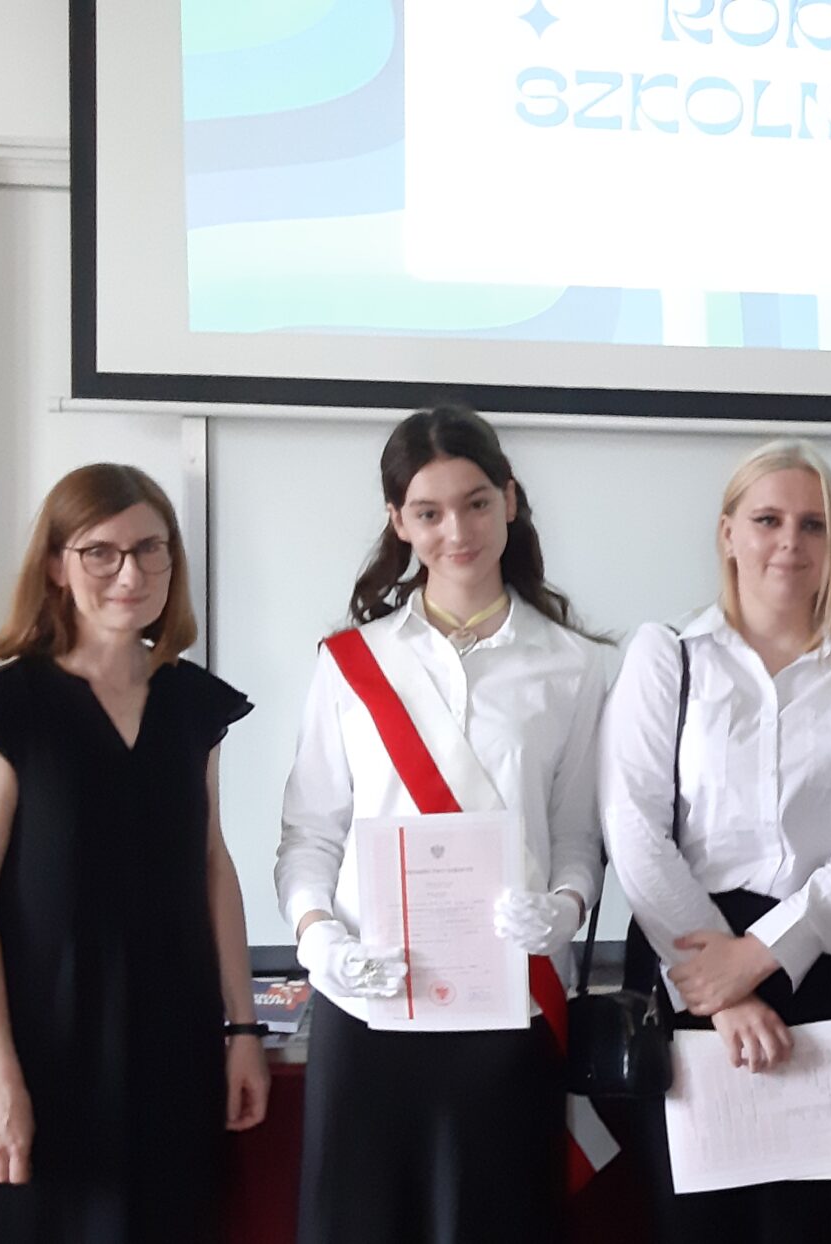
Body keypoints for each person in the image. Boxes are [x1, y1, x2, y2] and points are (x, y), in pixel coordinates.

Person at [276, 402, 614, 1243]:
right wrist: (319, 939)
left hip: (508, 1009)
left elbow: (579, 836)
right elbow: (309, 836)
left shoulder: (577, 666)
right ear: (398, 521)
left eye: (476, 503)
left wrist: (565, 909)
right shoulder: (350, 664)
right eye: (428, 512)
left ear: (510, 500)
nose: (456, 532)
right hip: (370, 1005)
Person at [599, 438, 831, 1243]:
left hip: (826, 969)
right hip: (685, 966)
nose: (790, 542)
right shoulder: (667, 656)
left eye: (813, 525)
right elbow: (633, 827)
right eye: (767, 520)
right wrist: (722, 987)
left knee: (809, 1227)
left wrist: (764, 954)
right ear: (727, 533)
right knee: (693, 1227)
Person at [0, 464, 267, 1244]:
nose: (131, 574)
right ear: (56, 565)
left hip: (175, 1045)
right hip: (45, 1049)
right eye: (100, 553)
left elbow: (211, 866)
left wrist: (243, 1030)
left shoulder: (193, 704)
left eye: (150, 549)